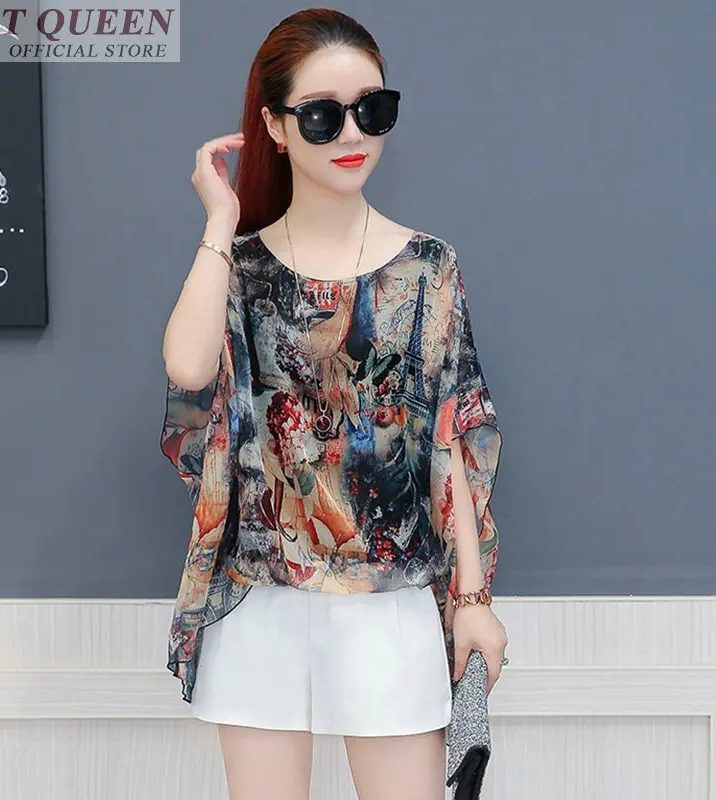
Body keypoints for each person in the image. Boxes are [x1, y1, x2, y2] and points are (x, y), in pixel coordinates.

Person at [160, 8, 508, 800]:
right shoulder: (241, 267)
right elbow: (187, 366)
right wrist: (220, 221)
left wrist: (472, 598)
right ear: (275, 127)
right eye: (322, 115)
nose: (352, 134)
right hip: (261, 601)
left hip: (389, 601)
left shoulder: (427, 268)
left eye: (372, 109)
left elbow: (453, 435)